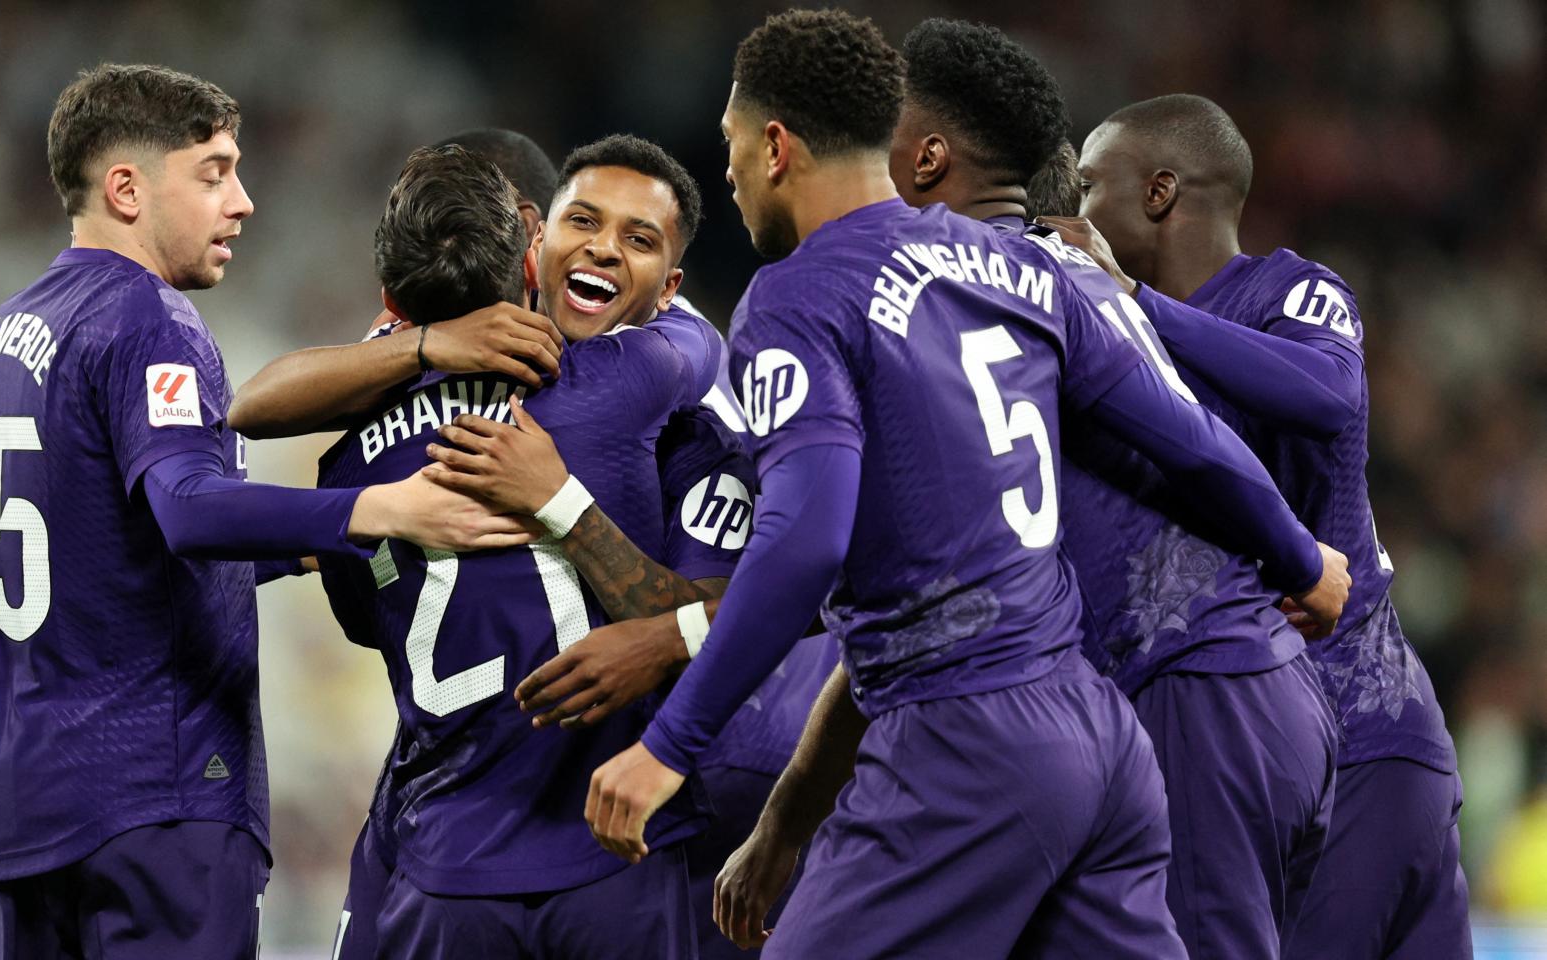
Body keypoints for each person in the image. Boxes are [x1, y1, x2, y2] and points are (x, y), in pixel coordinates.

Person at [581, 11, 1348, 958]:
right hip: (1103, 741)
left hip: (963, 742)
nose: (729, 175)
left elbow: (809, 539)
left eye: (733, 148)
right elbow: (1188, 439)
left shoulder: (797, 296)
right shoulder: (1023, 263)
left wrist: (668, 746)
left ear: (777, 146)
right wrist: (1300, 556)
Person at [0, 64, 537, 960]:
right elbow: (188, 512)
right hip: (158, 794)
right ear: (125, 189)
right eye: (214, 171)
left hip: (16, 805)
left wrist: (301, 549)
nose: (244, 201)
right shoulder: (149, 317)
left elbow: (109, 548)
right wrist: (380, 508)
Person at [877, 21, 1339, 958]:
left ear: (927, 155)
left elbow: (1201, 443)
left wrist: (1301, 559)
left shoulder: (1026, 287)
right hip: (1184, 698)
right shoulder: (1047, 284)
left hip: (1196, 679)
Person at [1062, 93, 1471, 960]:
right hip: (1287, 750)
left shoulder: (1292, 289)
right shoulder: (1106, 354)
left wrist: (1135, 302)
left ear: (1160, 192)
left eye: (1090, 184)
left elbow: (1328, 394)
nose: (1076, 210)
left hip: (1356, 732)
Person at [311, 140, 722, 957]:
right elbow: (759, 606)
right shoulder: (623, 379)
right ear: (532, 247)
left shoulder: (347, 457)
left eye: (636, 238)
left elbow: (365, 625)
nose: (605, 248)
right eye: (584, 223)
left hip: (446, 855)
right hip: (610, 840)